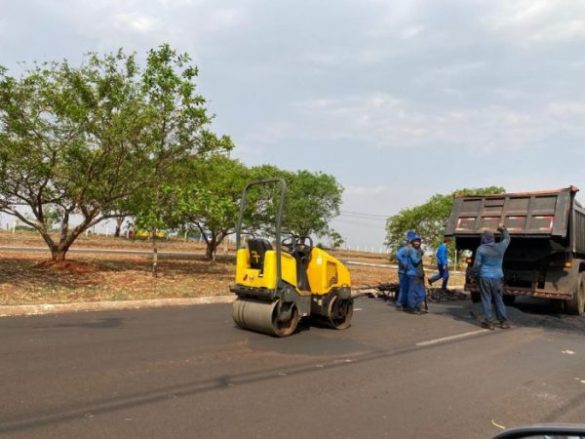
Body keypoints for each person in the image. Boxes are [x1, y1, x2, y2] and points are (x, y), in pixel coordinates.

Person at [473, 225, 511, 330]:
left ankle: (489, 322)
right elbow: (507, 239)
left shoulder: (481, 249)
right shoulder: (500, 247)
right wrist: (503, 229)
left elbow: (476, 265)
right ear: (493, 238)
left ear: (483, 239)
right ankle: (504, 321)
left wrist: (475, 275)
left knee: (486, 299)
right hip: (498, 278)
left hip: (484, 277)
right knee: (499, 299)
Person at [405, 233, 426, 314]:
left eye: (418, 241)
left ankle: (418, 306)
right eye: (415, 241)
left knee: (421, 292)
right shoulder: (412, 250)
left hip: (419, 274)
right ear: (412, 242)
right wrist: (420, 254)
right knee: (413, 292)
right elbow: (415, 261)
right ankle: (412, 308)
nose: (417, 242)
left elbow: (420, 264)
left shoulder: (417, 250)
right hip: (413, 274)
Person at [395, 231, 415, 309]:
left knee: (407, 287)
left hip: (408, 272)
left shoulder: (412, 250)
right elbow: (398, 255)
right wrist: (403, 263)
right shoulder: (405, 249)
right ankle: (399, 303)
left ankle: (405, 303)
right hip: (402, 272)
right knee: (403, 288)